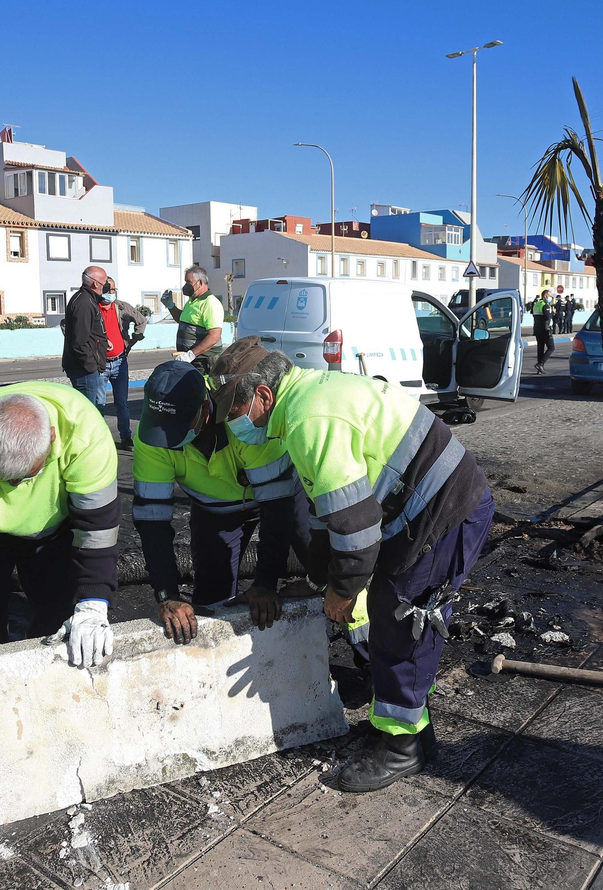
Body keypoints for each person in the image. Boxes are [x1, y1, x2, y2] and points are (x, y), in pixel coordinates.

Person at [210, 337, 496, 793]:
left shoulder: (307, 420)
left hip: (444, 512)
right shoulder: (305, 399)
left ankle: (402, 749)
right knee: (392, 620)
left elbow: (356, 527)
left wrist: (343, 591)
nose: (235, 424)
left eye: (236, 412)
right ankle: (412, 733)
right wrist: (320, 579)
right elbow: (328, 512)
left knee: (402, 627)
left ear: (263, 395)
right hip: (423, 508)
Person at [0, 384, 120, 785]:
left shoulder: (85, 434)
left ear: (52, 439)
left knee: (59, 615)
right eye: (4, 481)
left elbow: (96, 531)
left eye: (26, 478)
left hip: (56, 528)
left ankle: (51, 708)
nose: (14, 490)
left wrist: (93, 603)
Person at [132, 361, 312, 643]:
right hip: (215, 510)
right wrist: (167, 594)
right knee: (211, 596)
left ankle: (360, 642)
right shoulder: (150, 437)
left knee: (322, 563)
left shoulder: (242, 416)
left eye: (176, 430)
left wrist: (265, 583)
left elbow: (276, 510)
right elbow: (151, 520)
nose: (166, 441)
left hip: (281, 495)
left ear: (205, 409)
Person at [100, 284, 147, 449]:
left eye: (113, 289)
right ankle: (100, 440)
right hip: (100, 364)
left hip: (120, 361)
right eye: (108, 289)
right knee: (98, 404)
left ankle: (126, 437)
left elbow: (141, 320)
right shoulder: (92, 307)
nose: (111, 292)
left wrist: (134, 339)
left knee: (122, 403)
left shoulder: (122, 307)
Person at [62, 267, 112, 405]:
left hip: (85, 369)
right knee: (87, 410)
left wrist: (102, 341)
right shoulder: (84, 303)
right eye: (104, 282)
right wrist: (91, 367)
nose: (106, 286)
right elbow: (80, 341)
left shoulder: (87, 300)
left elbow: (89, 332)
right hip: (83, 371)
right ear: (96, 284)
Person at [164, 266, 224, 368]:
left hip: (204, 362)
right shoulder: (192, 301)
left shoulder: (210, 303)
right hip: (192, 360)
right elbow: (182, 320)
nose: (185, 286)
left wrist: (191, 354)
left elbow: (214, 336)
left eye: (188, 282)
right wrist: (171, 306)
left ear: (199, 282)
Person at [531, 290, 553, 374]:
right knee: (551, 348)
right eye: (550, 296)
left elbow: (533, 314)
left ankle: (539, 369)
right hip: (545, 329)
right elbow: (548, 317)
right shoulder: (545, 305)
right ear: (545, 296)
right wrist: (553, 313)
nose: (551, 298)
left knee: (540, 348)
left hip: (537, 329)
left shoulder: (537, 304)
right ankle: (540, 364)